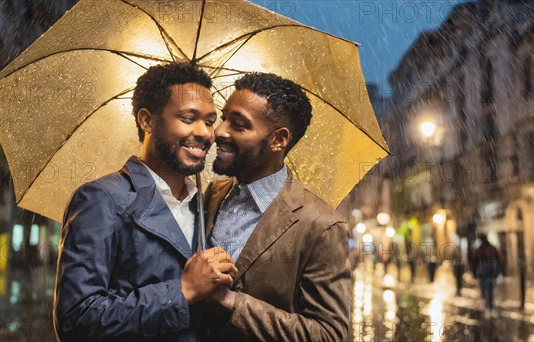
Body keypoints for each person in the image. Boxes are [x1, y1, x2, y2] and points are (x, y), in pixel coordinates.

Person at [53, 63, 237, 341]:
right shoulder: (102, 199)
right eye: (189, 118)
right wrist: (183, 291)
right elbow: (77, 320)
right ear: (147, 121)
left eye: (210, 121)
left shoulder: (207, 205)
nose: (205, 133)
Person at [201, 73, 351, 340]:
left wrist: (232, 302)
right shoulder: (212, 194)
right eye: (223, 118)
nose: (219, 131)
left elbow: (329, 334)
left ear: (278, 140)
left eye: (238, 125)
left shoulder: (322, 225)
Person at [472, 233, 502, 319]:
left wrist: (474, 272)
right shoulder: (492, 248)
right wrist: (498, 269)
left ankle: (487, 305)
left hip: (484, 270)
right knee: (490, 288)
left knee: (485, 287)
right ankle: (490, 305)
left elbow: (474, 260)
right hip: (491, 269)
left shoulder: (479, 249)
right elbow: (498, 258)